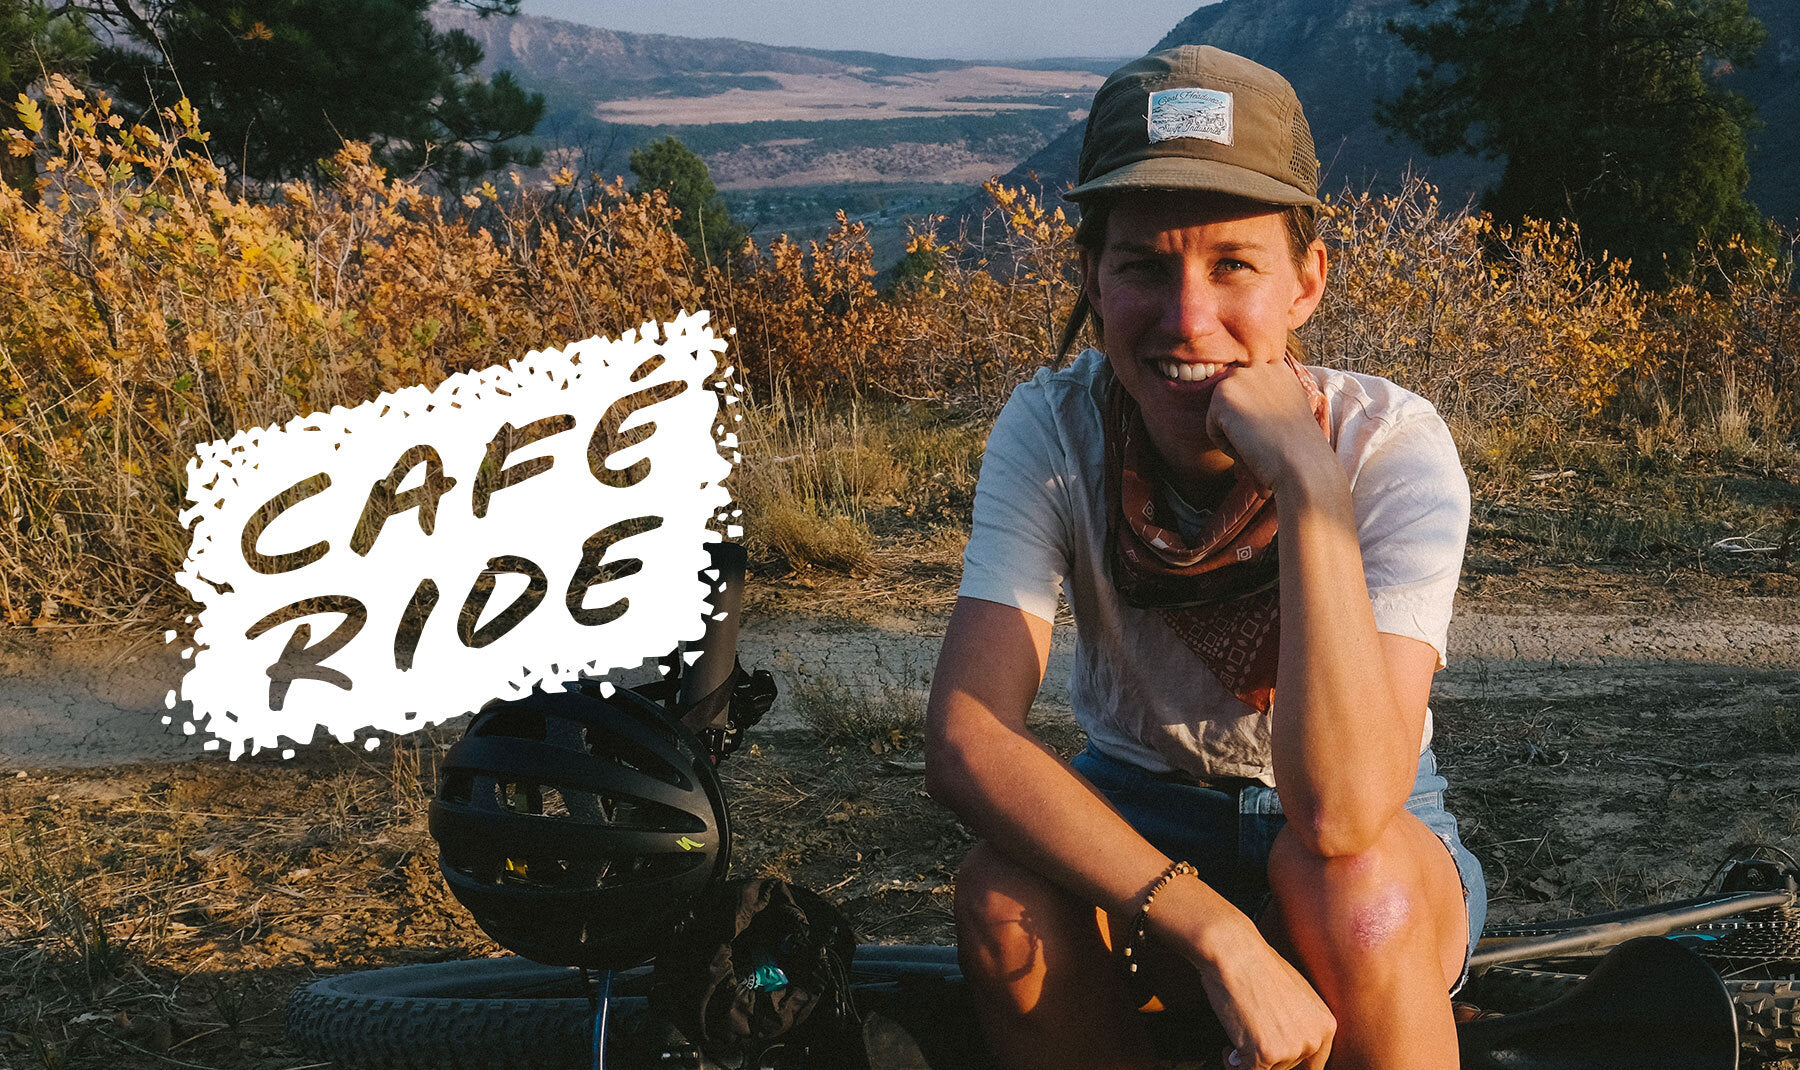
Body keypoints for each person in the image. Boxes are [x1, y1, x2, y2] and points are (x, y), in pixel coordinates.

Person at [923, 45, 1486, 1070]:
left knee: (1353, 895)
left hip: (1373, 839)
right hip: (1140, 807)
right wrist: (1214, 930)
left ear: (1306, 283)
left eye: (1234, 264)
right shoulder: (1055, 427)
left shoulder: (1389, 444)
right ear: (1092, 280)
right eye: (1144, 265)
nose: (1188, 320)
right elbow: (967, 737)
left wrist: (1308, 482)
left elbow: (1343, 812)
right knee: (1004, 901)